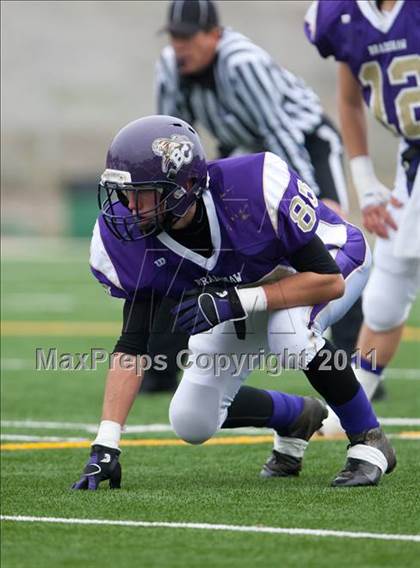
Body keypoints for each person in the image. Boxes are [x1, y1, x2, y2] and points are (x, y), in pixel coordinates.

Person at [72, 114, 396, 490]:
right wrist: (106, 444)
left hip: (328, 263)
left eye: (142, 193)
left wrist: (235, 301)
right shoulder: (136, 236)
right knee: (191, 420)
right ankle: (297, 416)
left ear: (184, 186)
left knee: (288, 335)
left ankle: (369, 440)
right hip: (246, 290)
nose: (129, 206)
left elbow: (328, 282)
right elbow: (131, 345)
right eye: (124, 192)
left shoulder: (251, 188)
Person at [147, 0, 363, 392]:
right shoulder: (169, 66)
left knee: (327, 241)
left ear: (214, 34)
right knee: (190, 237)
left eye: (189, 37)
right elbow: (169, 138)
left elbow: (280, 131)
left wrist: (310, 200)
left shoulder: (240, 63)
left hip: (304, 141)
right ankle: (161, 368)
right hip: (242, 150)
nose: (180, 46)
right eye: (175, 37)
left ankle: (356, 358)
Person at [305, 0, 420, 432]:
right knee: (385, 297)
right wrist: (367, 182)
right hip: (413, 165)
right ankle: (348, 414)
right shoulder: (344, 16)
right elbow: (350, 103)